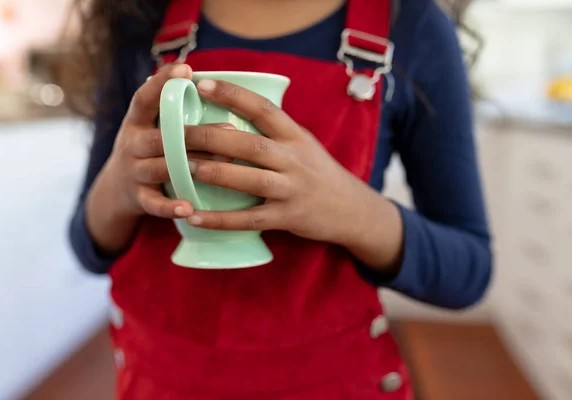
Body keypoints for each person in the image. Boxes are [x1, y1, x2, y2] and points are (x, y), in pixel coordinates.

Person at [67, 0, 492, 398]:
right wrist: (119, 188)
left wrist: (352, 211)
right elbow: (89, 250)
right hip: (157, 380)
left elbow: (468, 271)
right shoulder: (139, 19)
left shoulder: (414, 28)